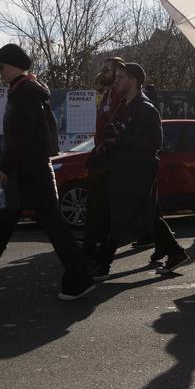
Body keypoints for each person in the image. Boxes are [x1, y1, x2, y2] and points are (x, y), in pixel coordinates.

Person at [0, 43, 97, 303]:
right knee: (29, 227)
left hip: (26, 172)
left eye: (2, 67)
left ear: (14, 65)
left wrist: (4, 168)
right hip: (33, 170)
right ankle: (80, 277)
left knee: (9, 228)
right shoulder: (28, 89)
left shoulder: (25, 93)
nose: (0, 72)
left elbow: (22, 138)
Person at [93, 62, 189, 275]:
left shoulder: (146, 108)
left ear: (133, 80)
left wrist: (120, 139)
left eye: (120, 78)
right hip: (122, 168)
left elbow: (154, 143)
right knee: (148, 216)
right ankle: (176, 253)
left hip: (139, 171)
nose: (116, 81)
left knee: (120, 216)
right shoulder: (123, 106)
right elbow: (115, 135)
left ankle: (102, 265)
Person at [82, 56, 126, 260]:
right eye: (102, 69)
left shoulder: (119, 96)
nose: (103, 73)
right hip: (101, 152)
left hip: (110, 157)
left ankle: (98, 248)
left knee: (102, 204)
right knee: (98, 203)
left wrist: (105, 147)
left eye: (108, 69)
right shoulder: (106, 94)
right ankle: (95, 242)